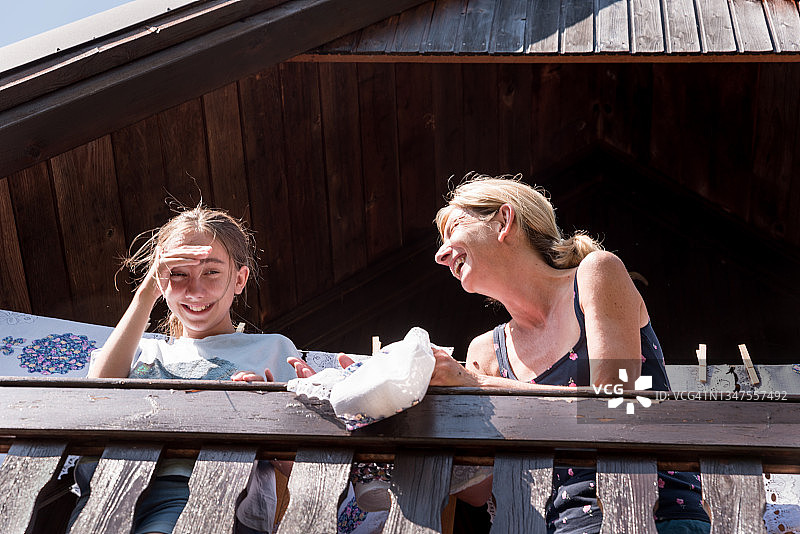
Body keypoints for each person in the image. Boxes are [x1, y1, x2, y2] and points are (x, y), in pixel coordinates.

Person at [429, 174, 710, 534]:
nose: (441, 255)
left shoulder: (597, 273)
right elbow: (480, 491)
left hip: (650, 518)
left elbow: (614, 406)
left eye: (454, 229)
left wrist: (477, 385)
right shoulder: (485, 352)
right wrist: (425, 407)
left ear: (504, 220)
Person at [68, 205, 298, 534]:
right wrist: (146, 293)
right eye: (177, 273)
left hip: (205, 493)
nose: (194, 290)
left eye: (211, 272)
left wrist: (265, 420)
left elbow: (298, 468)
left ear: (239, 280)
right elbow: (95, 396)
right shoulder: (142, 349)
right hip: (110, 491)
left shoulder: (272, 349)